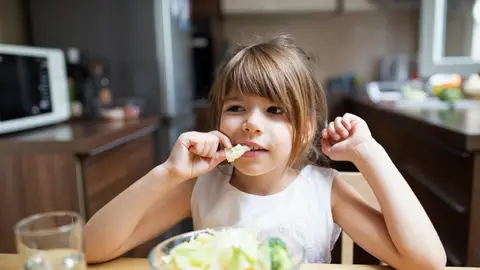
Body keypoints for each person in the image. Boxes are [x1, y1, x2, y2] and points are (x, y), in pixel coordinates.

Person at [84, 34, 446, 269]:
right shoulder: (202, 185)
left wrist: (370, 153)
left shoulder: (324, 191)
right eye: (236, 108)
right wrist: (167, 174)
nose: (252, 124)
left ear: (304, 128)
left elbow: (427, 261)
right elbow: (90, 248)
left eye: (275, 111)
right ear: (219, 120)